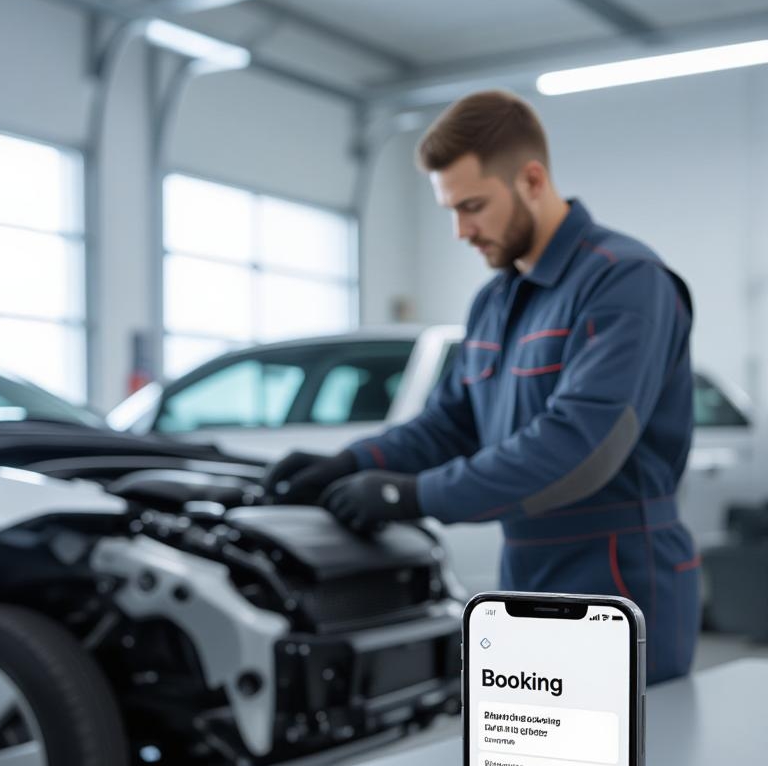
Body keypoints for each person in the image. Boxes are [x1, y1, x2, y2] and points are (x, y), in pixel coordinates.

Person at [266, 90, 699, 683]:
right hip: (523, 572)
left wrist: (409, 497)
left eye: (472, 206)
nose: (460, 231)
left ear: (531, 179)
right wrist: (349, 462)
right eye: (450, 210)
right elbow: (452, 421)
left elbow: (581, 449)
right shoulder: (495, 301)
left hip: (619, 578)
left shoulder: (624, 281)